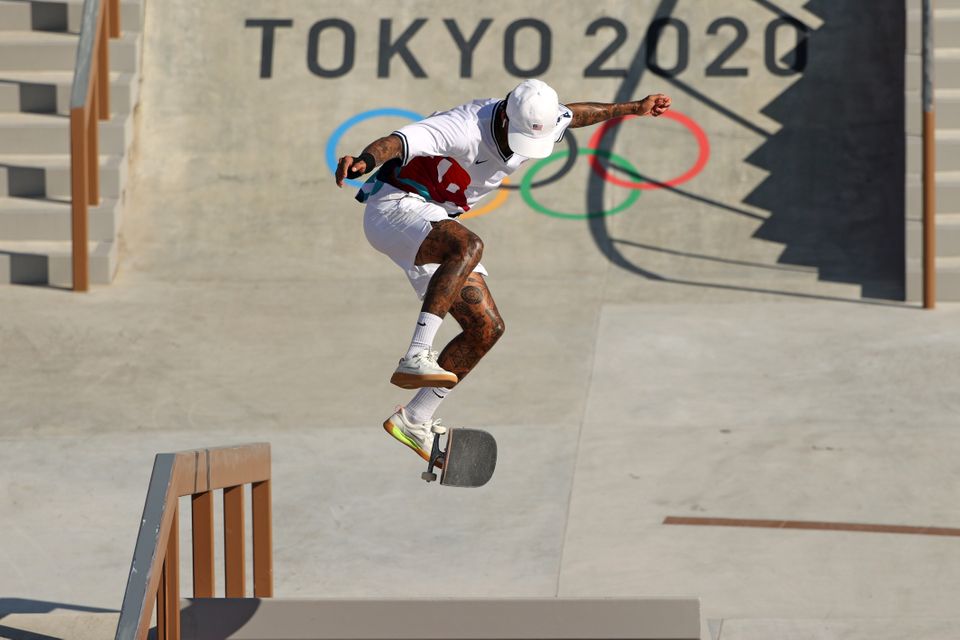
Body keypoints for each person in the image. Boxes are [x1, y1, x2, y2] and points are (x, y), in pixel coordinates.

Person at [335, 79, 671, 463]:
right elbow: (396, 141)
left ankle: (414, 419)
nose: (519, 151)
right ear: (505, 118)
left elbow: (575, 114)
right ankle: (416, 353)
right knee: (469, 246)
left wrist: (632, 108)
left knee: (486, 329)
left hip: (434, 220)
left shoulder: (540, 117)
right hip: (395, 207)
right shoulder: (462, 126)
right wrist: (364, 160)